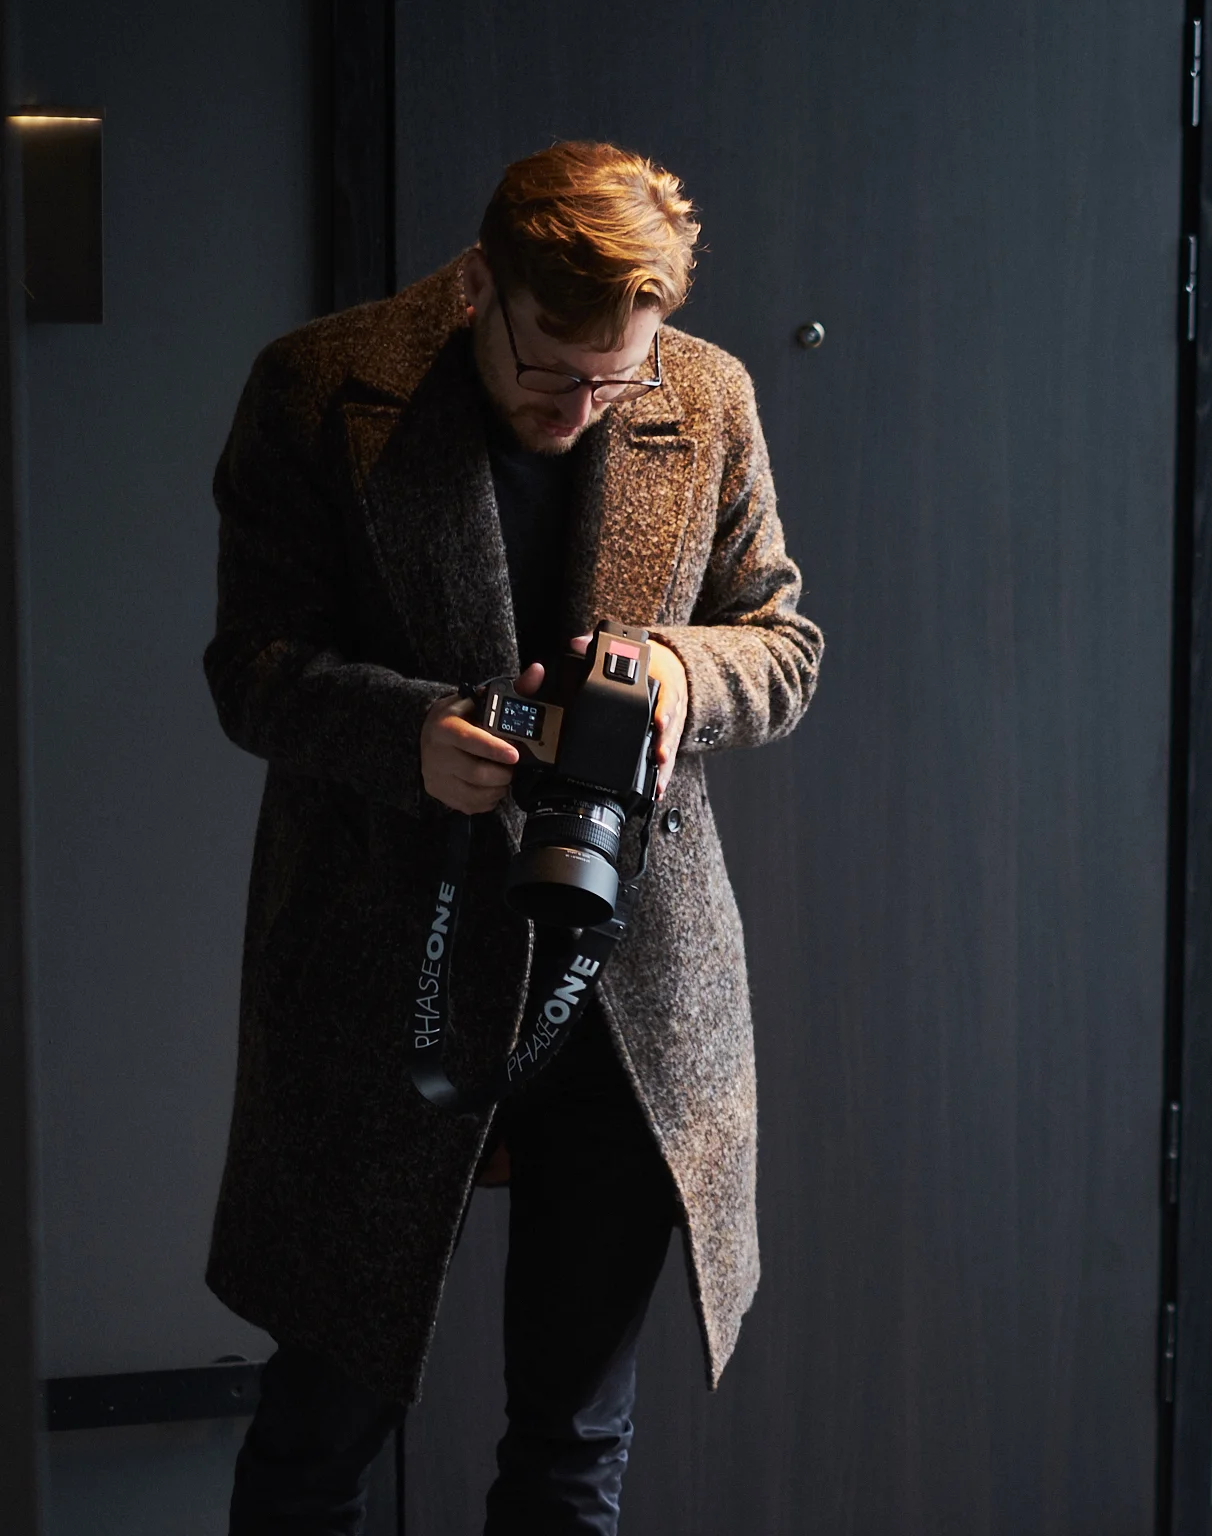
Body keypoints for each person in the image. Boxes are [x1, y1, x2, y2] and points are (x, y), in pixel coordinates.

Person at [203, 140, 823, 1533]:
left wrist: (682, 676)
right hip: (379, 962)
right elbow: (249, 668)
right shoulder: (317, 387)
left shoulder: (705, 393)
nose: (577, 408)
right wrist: (409, 734)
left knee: (574, 1442)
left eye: (614, 382)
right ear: (482, 283)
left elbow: (782, 645)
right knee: (318, 1434)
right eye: (550, 371)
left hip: (627, 971)